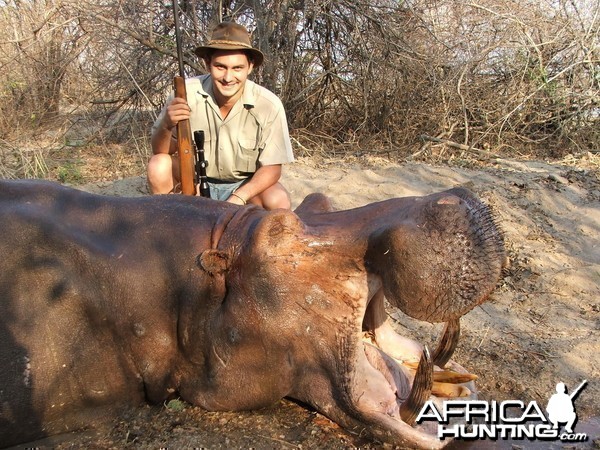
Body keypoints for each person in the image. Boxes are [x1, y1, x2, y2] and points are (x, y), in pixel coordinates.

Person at [148, 21, 294, 209]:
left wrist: (239, 197)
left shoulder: (268, 104)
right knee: (158, 165)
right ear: (207, 64)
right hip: (194, 181)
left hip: (243, 187)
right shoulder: (185, 93)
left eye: (237, 68)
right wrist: (167, 125)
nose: (228, 77)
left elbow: (273, 169)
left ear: (250, 67)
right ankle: (170, 229)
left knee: (277, 200)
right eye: (220, 67)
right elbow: (160, 151)